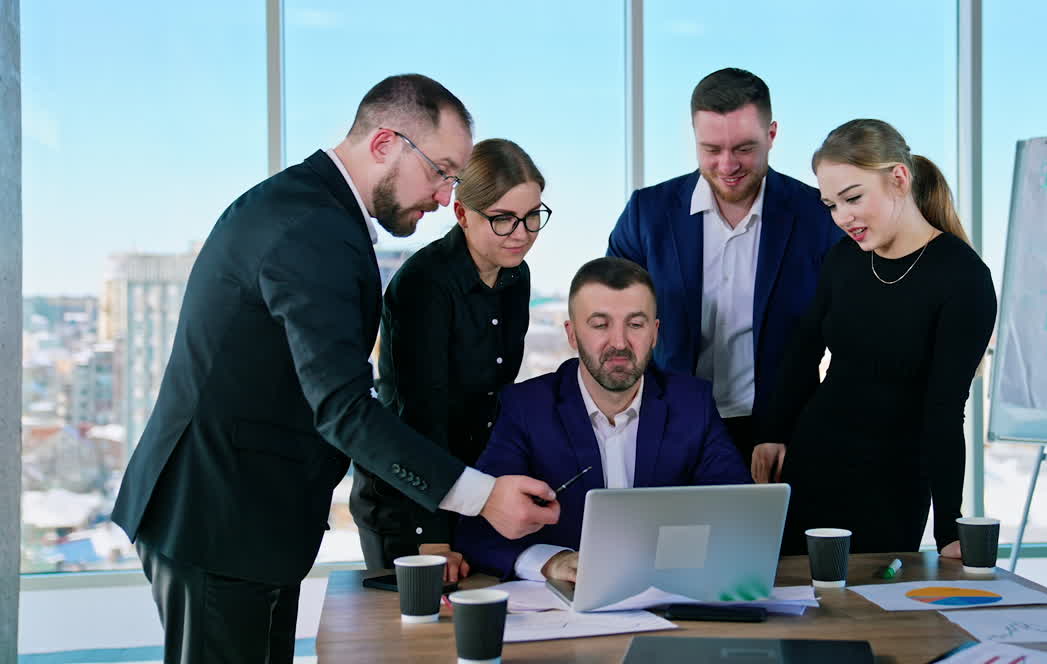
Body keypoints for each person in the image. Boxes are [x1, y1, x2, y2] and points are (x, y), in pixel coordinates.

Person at [110, 75, 560, 663]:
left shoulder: (315, 212)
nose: (444, 196)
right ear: (385, 144)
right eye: (441, 172)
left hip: (249, 519)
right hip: (218, 517)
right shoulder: (313, 228)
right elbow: (344, 407)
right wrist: (480, 497)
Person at [755, 118, 996, 557]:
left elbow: (944, 411)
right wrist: (774, 432)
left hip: (892, 484)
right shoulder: (843, 258)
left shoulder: (963, 278)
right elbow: (804, 349)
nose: (842, 217)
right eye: (831, 205)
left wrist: (949, 529)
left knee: (869, 598)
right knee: (792, 593)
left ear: (898, 179)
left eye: (852, 198)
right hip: (812, 462)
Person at [454, 257, 751, 582]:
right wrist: (551, 562)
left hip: (672, 595)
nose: (619, 343)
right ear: (572, 334)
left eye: (635, 324)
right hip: (565, 607)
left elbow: (741, 518)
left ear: (654, 333)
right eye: (600, 325)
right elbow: (477, 530)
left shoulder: (693, 404)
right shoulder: (525, 408)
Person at [607, 67, 842, 468]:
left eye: (744, 149)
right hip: (668, 430)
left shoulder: (818, 217)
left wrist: (798, 428)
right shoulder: (646, 214)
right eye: (711, 149)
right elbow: (611, 321)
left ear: (772, 135)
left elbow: (849, 342)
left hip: (784, 436)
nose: (727, 165)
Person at [350, 138, 552, 581]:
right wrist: (433, 538)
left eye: (532, 216)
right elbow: (421, 418)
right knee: (417, 623)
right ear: (462, 214)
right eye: (502, 219)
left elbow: (496, 397)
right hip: (410, 501)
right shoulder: (424, 283)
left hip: (473, 491)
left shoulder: (516, 275)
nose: (521, 234)